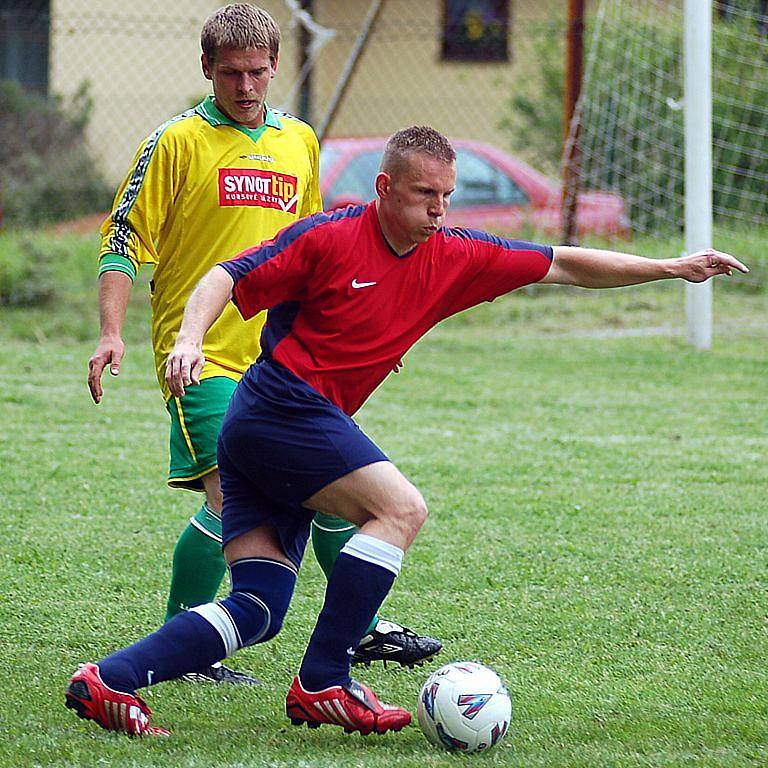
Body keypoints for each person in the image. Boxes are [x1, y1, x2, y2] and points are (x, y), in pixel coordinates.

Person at [67, 125, 748, 737]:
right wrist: (190, 338)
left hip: (269, 429)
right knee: (401, 508)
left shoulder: (454, 253)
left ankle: (110, 680)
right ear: (384, 187)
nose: (439, 210)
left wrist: (669, 268)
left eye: (448, 196)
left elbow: (561, 263)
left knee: (259, 606)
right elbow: (225, 274)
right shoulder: (329, 237)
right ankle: (324, 680)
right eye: (425, 194)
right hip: (280, 410)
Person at [86, 4, 439, 687]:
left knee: (332, 482)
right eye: (230, 73)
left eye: (257, 71)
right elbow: (123, 240)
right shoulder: (176, 142)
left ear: (277, 65)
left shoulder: (298, 141)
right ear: (205, 69)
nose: (246, 86)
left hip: (284, 367)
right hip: (203, 360)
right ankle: (187, 646)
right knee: (228, 503)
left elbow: (318, 255)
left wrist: (367, 334)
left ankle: (359, 631)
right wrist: (110, 332)